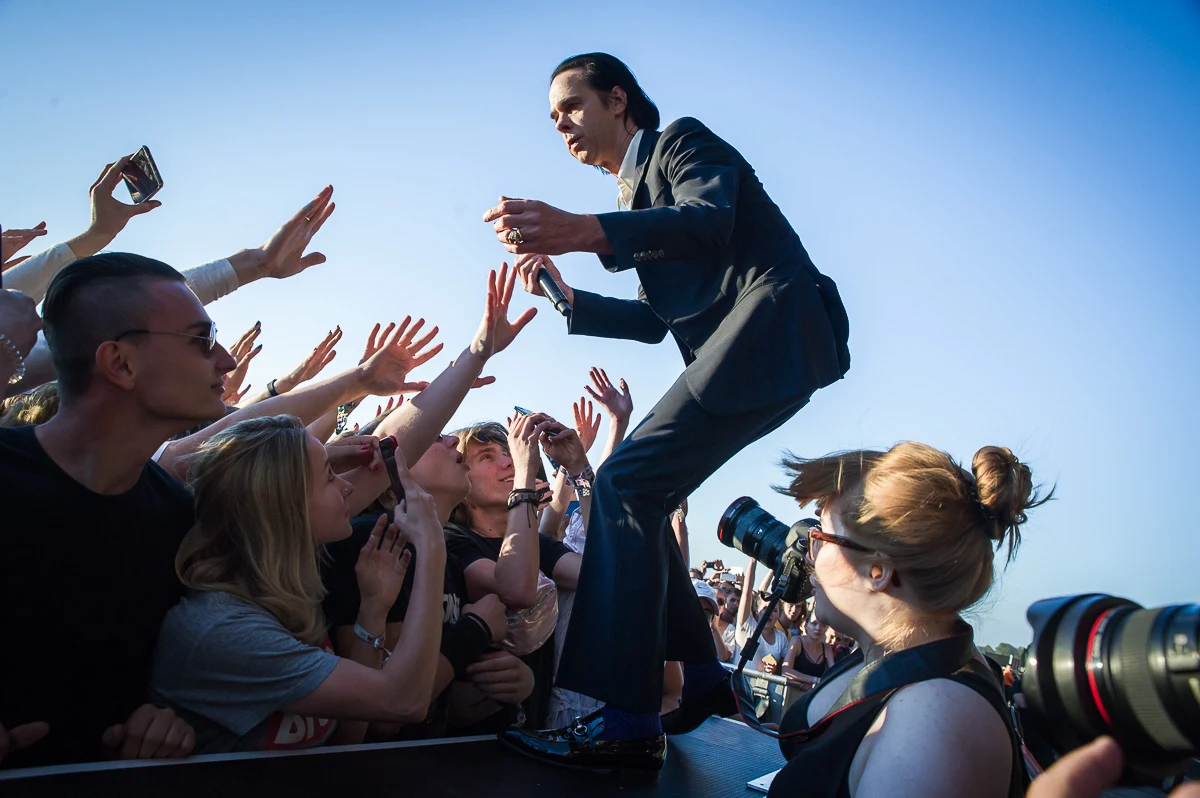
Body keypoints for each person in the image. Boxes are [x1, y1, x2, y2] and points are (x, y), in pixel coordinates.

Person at [486, 52, 850, 776]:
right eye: (552, 117)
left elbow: (708, 222)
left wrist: (581, 229)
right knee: (639, 495)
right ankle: (708, 681)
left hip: (772, 328)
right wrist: (562, 294)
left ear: (619, 100)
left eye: (571, 105)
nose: (559, 123)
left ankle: (626, 722)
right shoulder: (633, 209)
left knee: (622, 481)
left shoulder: (681, 141)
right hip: (759, 349)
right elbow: (656, 320)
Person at [767, 442, 1051, 798]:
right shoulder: (889, 654)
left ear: (877, 571)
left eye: (821, 537)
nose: (810, 555)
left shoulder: (934, 719)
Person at [150, 416, 447, 752]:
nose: (347, 486)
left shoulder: (281, 597)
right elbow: (404, 701)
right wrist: (432, 548)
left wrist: (374, 608)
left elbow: (347, 738)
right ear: (284, 507)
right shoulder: (226, 630)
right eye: (329, 477)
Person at [782, 609, 837, 691]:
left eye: (822, 625)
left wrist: (814, 685)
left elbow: (833, 675)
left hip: (814, 695)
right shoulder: (796, 641)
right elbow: (785, 671)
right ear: (805, 625)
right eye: (814, 624)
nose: (818, 628)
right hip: (791, 692)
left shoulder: (827, 648)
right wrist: (815, 680)